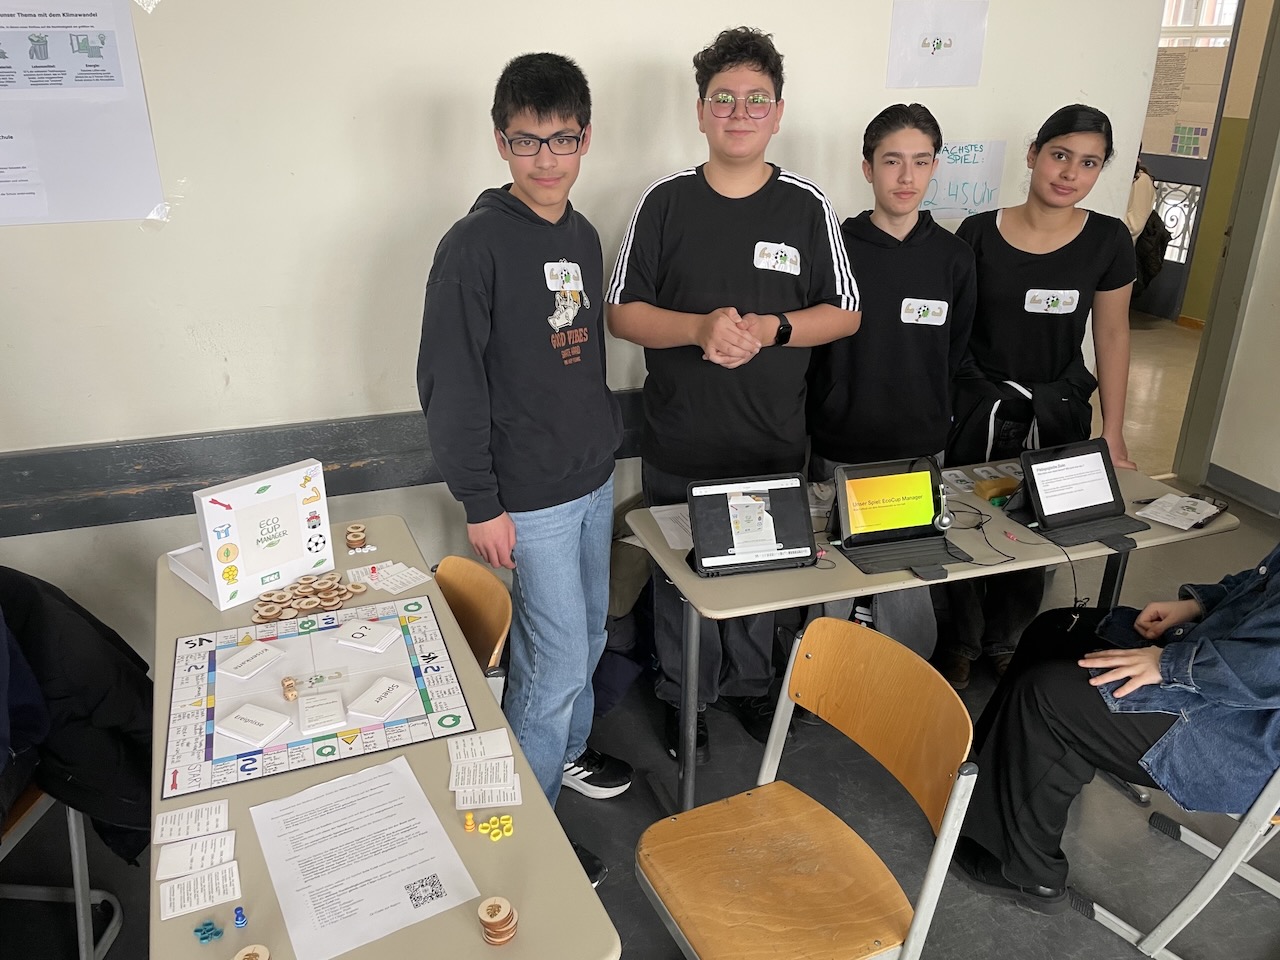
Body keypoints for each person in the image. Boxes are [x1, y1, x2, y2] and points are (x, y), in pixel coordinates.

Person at [607, 26, 860, 762]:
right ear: (700, 111)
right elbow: (621, 312)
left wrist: (775, 328)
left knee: (761, 576)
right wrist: (697, 329)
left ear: (778, 113)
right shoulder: (663, 202)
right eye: (723, 98)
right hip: (680, 442)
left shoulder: (806, 206)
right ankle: (684, 697)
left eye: (756, 99)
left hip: (770, 444)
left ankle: (751, 684)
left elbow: (845, 311)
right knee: (680, 583)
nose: (739, 112)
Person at [417, 52, 629, 885]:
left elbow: (576, 362)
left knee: (589, 636)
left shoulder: (580, 233)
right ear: (500, 142)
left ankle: (563, 755)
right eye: (526, 141)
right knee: (549, 667)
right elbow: (450, 384)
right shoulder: (472, 246)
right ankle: (526, 828)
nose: (546, 159)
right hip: (528, 502)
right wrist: (481, 502)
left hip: (591, 479)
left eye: (562, 139)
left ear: (586, 138)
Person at [953, 544, 1280, 914]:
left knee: (1049, 698)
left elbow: (1268, 669)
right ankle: (980, 777)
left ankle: (1024, 871)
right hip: (1223, 669)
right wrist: (1197, 606)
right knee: (1054, 630)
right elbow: (1263, 583)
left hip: (1244, 742)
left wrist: (1168, 663)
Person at [938, 104, 1137, 688]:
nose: (1070, 172)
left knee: (1036, 528)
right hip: (979, 407)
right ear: (1033, 155)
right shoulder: (978, 232)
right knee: (964, 522)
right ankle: (960, 641)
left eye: (1089, 163)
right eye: (1059, 155)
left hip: (1056, 411)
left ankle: (1008, 640)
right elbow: (953, 332)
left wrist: (1114, 432)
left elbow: (1113, 335)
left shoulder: (1108, 240)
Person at [805, 103, 975, 658]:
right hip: (840, 442)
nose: (907, 176)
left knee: (908, 576)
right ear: (867, 167)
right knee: (834, 575)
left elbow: (955, 350)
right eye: (892, 161)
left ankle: (905, 682)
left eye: (921, 161)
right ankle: (821, 674)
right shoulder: (835, 247)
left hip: (917, 449)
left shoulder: (954, 257)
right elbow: (813, 350)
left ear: (934, 167)